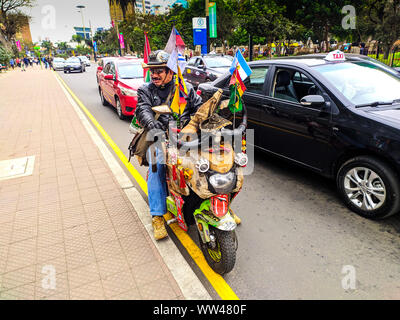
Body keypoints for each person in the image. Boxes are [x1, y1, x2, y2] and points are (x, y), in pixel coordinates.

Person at [135, 50, 203, 240]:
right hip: (160, 137)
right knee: (157, 168)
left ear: (171, 72)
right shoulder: (145, 90)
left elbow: (198, 110)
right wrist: (151, 123)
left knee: (211, 163)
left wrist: (204, 122)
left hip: (186, 138)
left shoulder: (185, 88)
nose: (154, 74)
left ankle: (219, 207)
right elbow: (142, 109)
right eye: (152, 70)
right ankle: (157, 216)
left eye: (159, 70)